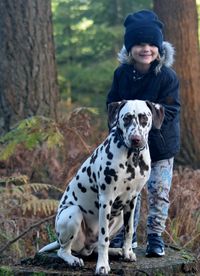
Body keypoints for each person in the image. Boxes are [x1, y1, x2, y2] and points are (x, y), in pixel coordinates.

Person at [107, 10, 180, 257]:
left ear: (159, 48)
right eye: (139, 43)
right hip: (127, 148)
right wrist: (118, 131)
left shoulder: (167, 77)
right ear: (130, 48)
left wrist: (148, 119)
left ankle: (155, 237)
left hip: (159, 148)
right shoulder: (122, 75)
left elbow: (171, 108)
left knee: (158, 193)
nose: (145, 48)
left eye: (151, 44)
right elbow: (113, 104)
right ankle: (126, 237)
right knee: (128, 191)